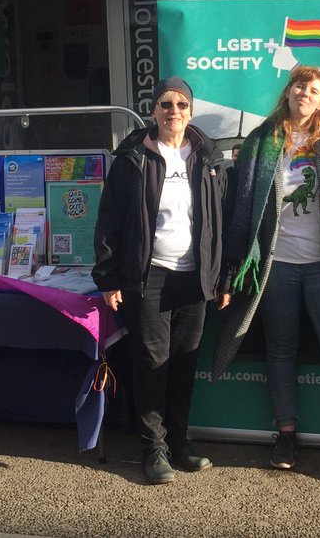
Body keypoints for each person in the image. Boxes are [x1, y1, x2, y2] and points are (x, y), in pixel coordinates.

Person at [212, 65, 320, 476]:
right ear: (288, 92)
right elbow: (241, 208)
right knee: (279, 350)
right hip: (275, 267)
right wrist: (233, 267)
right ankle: (286, 433)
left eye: (314, 89)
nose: (305, 93)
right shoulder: (260, 143)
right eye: (300, 85)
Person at [92, 76, 226, 485]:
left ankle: (179, 443)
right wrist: (108, 277)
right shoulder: (133, 157)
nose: (174, 112)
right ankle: (153, 448)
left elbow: (220, 223)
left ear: (191, 110)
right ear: (153, 111)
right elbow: (109, 221)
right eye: (166, 105)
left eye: (182, 104)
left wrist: (221, 278)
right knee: (151, 363)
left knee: (184, 362)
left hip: (194, 278)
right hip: (148, 277)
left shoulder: (208, 158)